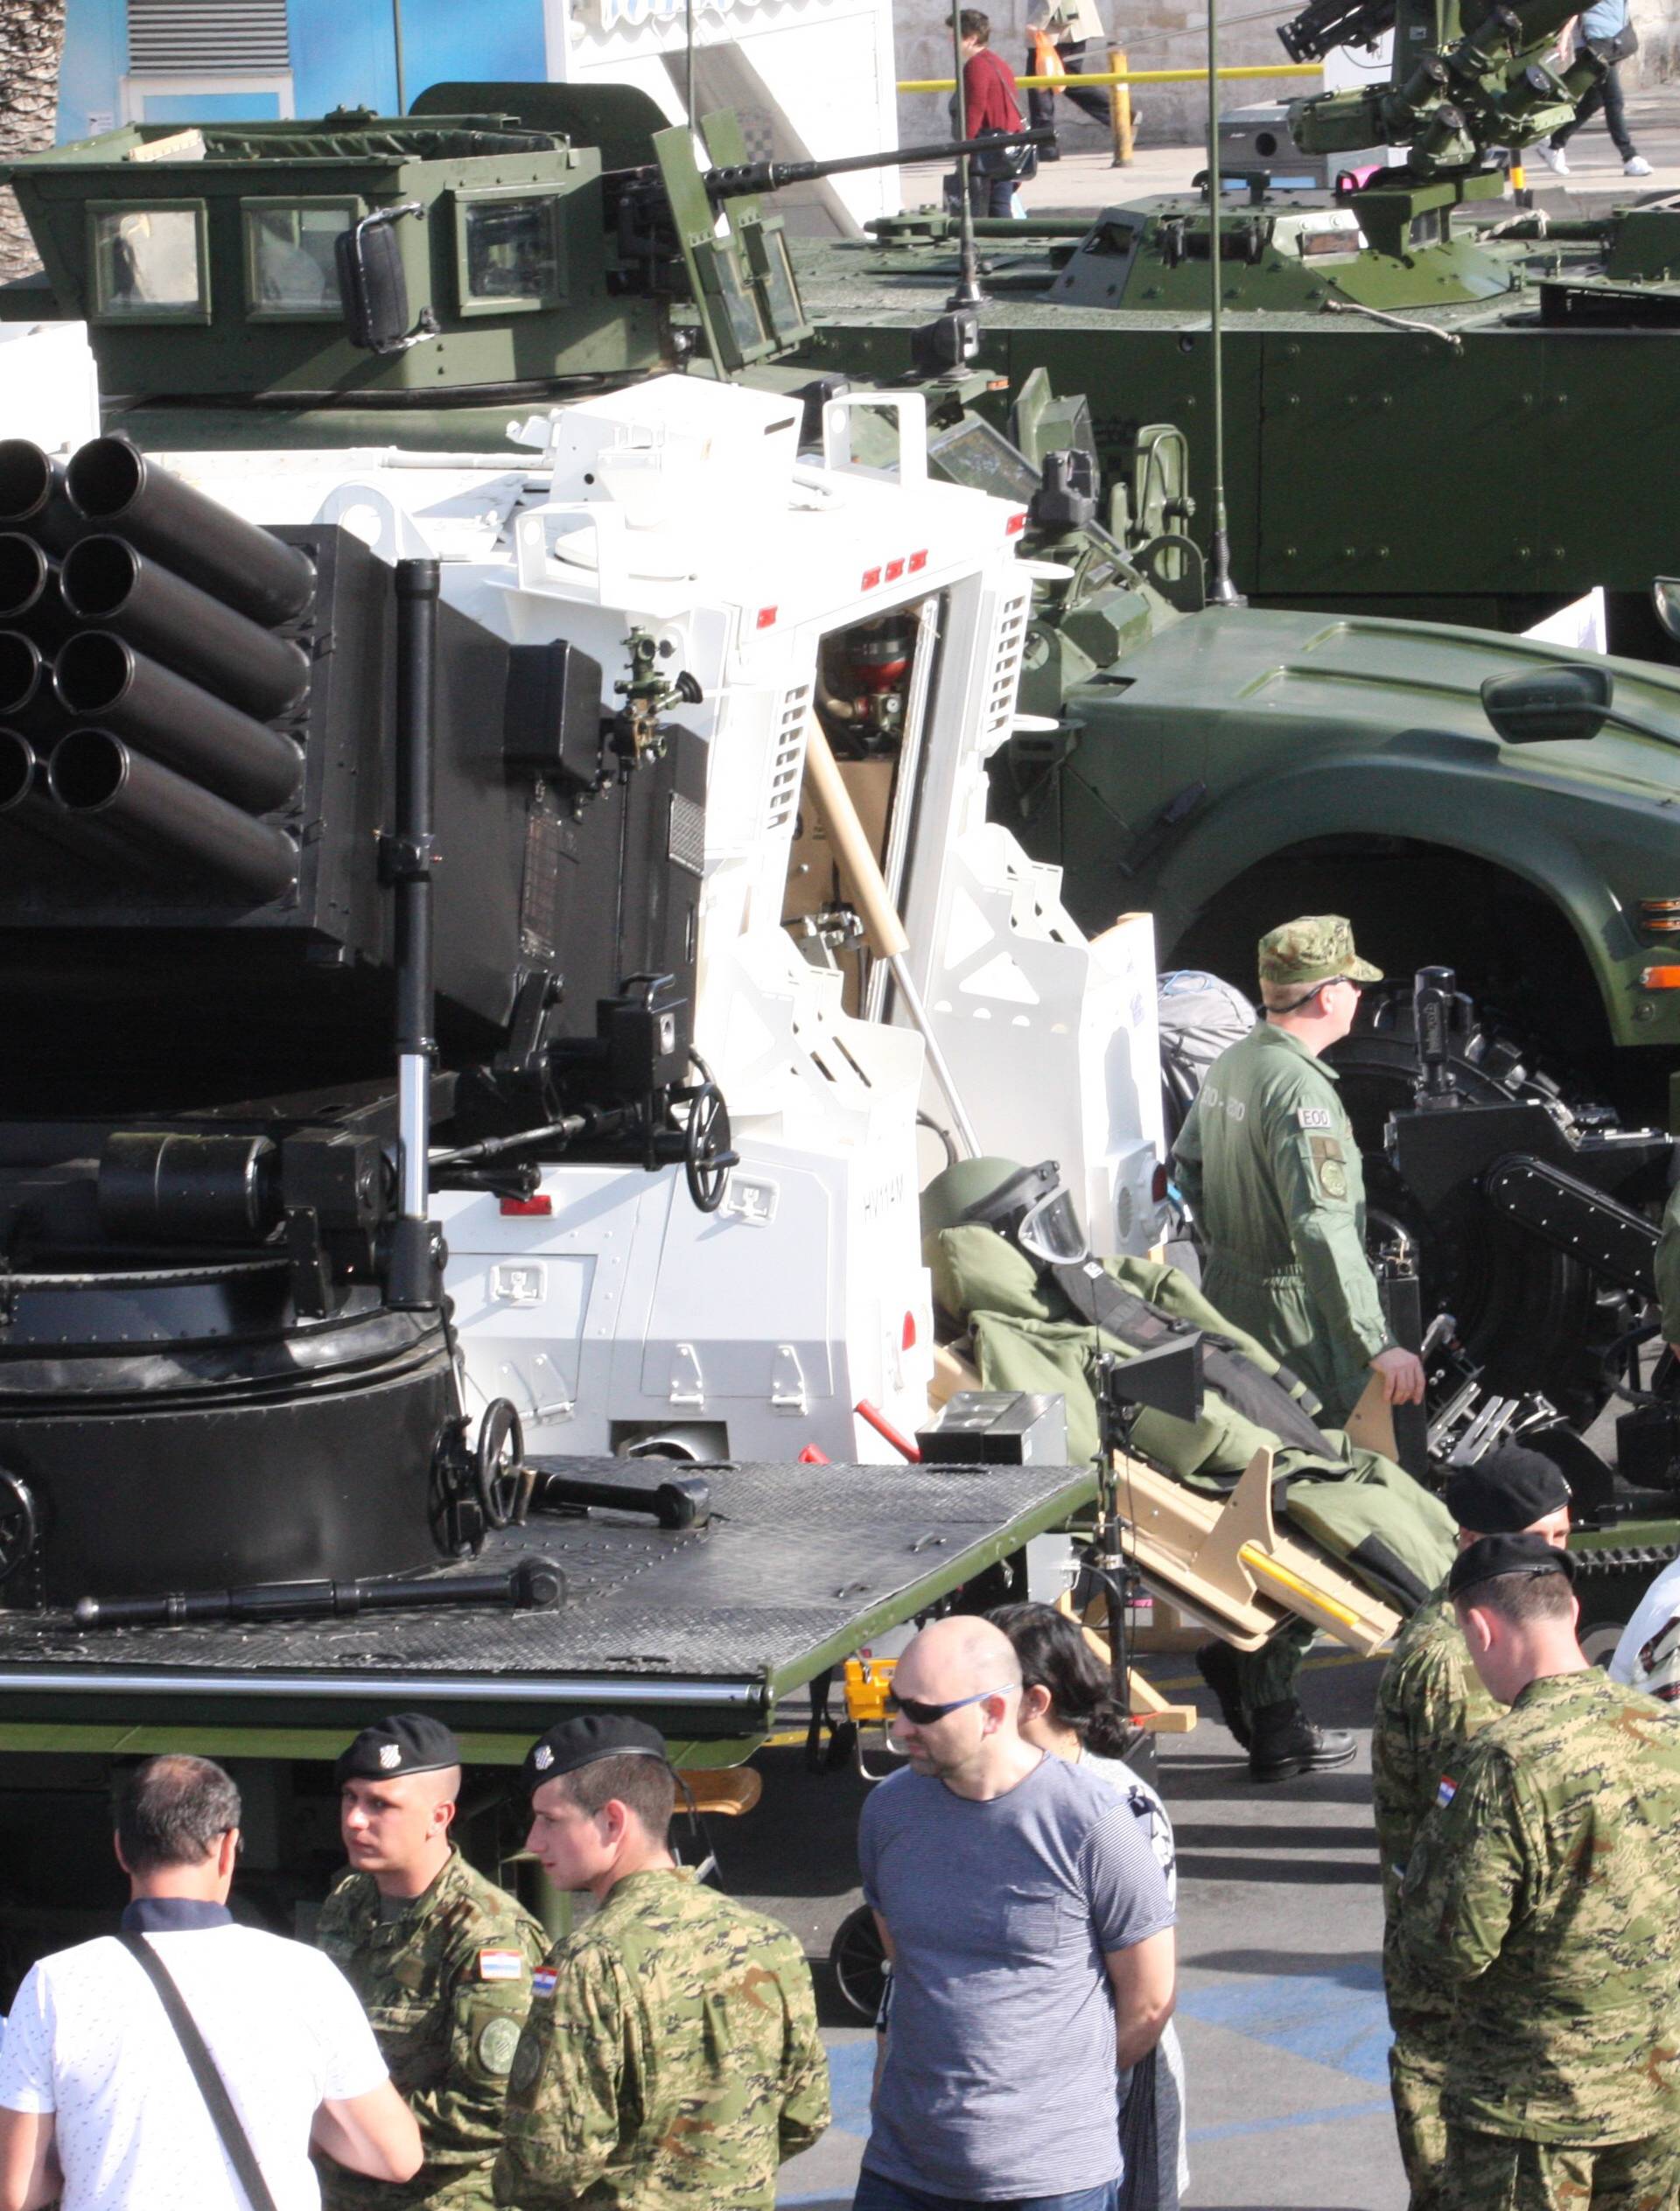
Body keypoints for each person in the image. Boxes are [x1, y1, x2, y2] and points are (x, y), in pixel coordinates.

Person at [0, 1753, 419, 2211]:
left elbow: (15, 2192)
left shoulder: (57, 1985)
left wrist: (82, 2153)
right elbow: (396, 2157)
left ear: (121, 1850)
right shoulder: (306, 1976)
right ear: (228, 1847)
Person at [855, 1614, 1175, 2211]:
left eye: (924, 1712)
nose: (900, 1728)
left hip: (1050, 2182)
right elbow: (905, 1960)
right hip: (905, 2169)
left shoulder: (1093, 1821)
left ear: (994, 1714)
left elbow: (1150, 1999)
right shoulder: (888, 1812)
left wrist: (1049, 2102)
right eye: (896, 1705)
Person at [1398, 1535, 1680, 2211]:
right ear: (1573, 1608)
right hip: (1659, 2096)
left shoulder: (1503, 1762)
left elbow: (1452, 1948)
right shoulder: (1664, 1732)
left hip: (1534, 2116)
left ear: (1480, 1625)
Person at [495, 1715, 829, 2208]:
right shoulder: (770, 1941)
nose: (534, 1841)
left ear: (612, 1821)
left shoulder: (591, 1963)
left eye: (550, 1820)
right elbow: (806, 2115)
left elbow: (550, 2160)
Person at [1370, 1449, 1572, 2211]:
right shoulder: (1462, 1659)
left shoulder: (1474, 1628)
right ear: (1475, 1543)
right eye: (1542, 1539)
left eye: (1563, 1536)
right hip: (1460, 1985)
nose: (1558, 1560)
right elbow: (1497, 1825)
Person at [1172, 913, 1424, 1430]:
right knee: (1333, 1461)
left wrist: (1234, 1247)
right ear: (1328, 996)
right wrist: (1375, 1341)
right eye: (1353, 983)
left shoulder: (1234, 1061)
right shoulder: (1301, 1091)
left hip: (1229, 1296)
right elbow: (1320, 1225)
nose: (1359, 993)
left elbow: (1189, 1167)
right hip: (1297, 1321)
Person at [992, 1603, 1188, 2211]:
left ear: (1034, 1701)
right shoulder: (976, 1791)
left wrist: (1077, 2089)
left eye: (986, 1688)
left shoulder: (1119, 1805)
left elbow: (1145, 1997)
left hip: (1105, 2090)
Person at [314, 1714, 545, 2210]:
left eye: (380, 1805)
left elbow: (491, 2109)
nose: (355, 1819)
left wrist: (337, 2129)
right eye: (350, 1798)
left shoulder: (488, 1938)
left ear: (438, 1817)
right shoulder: (349, 1900)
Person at [1539, 2, 1651, 178]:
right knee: (1614, 101)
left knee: (1593, 101)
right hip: (1594, 47)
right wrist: (1564, 39)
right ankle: (1629, 156)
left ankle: (1554, 144)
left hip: (1612, 41)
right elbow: (1572, 8)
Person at [956, 11, 1026, 220]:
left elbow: (974, 110)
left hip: (994, 151)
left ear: (971, 39)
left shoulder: (976, 65)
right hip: (1008, 145)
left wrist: (964, 148)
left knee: (996, 206)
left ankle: (1004, 248)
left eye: (955, 36)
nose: (951, 41)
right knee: (999, 202)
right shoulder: (996, 62)